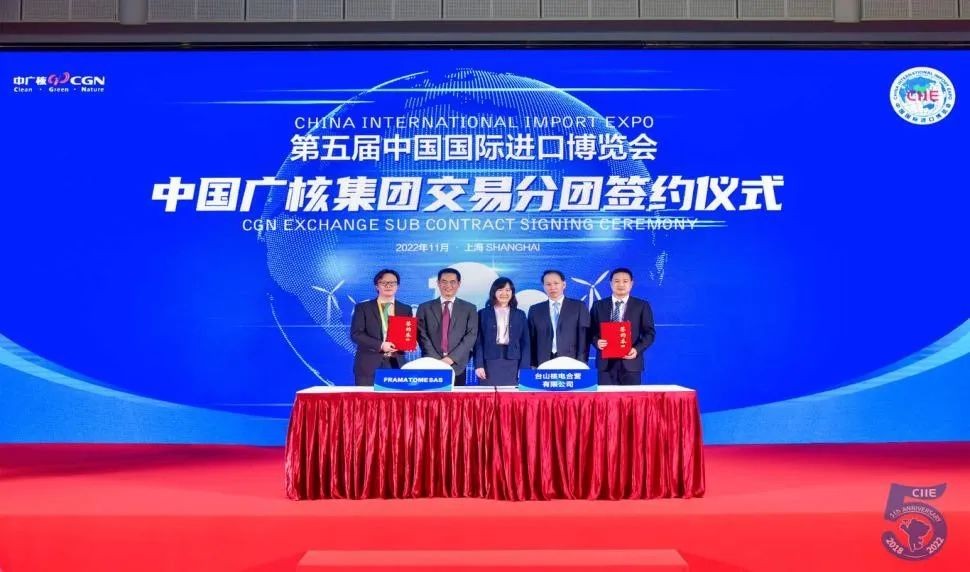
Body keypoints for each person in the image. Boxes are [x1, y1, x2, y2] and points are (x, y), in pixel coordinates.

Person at [589, 268, 656, 385]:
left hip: (631, 362)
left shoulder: (642, 306)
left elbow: (649, 333)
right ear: (611, 283)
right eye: (616, 281)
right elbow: (590, 331)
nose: (621, 284)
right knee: (606, 397)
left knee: (630, 397)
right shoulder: (598, 305)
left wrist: (636, 349)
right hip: (606, 364)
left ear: (631, 283)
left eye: (625, 281)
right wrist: (597, 342)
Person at [349, 269, 413, 386]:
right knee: (367, 398)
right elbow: (356, 334)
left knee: (395, 398)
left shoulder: (405, 309)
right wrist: (381, 345)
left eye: (392, 283)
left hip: (396, 365)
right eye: (384, 283)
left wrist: (408, 342)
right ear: (376, 286)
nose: (388, 286)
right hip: (368, 365)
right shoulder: (363, 308)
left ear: (398, 286)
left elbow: (408, 335)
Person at [416, 267, 478, 386]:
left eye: (452, 282)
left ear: (459, 284)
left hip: (457, 365)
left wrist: (450, 359)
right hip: (431, 364)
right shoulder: (424, 308)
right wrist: (436, 361)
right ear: (438, 283)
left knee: (457, 398)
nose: (448, 286)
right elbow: (421, 335)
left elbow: (471, 335)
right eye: (444, 282)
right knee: (430, 397)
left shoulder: (469, 308)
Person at [474, 278, 530, 386]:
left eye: (508, 290)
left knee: (510, 394)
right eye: (500, 290)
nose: (504, 293)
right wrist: (479, 365)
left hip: (513, 361)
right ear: (494, 292)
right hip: (489, 362)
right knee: (488, 395)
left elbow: (525, 343)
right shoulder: (483, 314)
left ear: (512, 293)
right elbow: (478, 342)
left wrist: (524, 367)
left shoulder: (520, 314)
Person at [527, 269, 590, 367]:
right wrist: (533, 363)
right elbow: (532, 339)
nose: (552, 287)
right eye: (548, 284)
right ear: (544, 287)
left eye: (556, 283)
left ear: (564, 285)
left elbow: (583, 337)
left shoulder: (578, 307)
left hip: (571, 360)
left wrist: (581, 362)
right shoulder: (535, 310)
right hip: (543, 360)